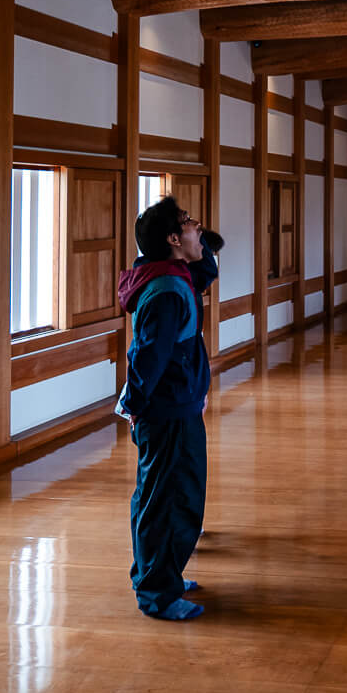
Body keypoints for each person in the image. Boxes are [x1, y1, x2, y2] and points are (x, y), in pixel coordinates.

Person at [116, 197, 223, 622]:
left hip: (180, 406)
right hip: (166, 411)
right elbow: (147, 356)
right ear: (173, 239)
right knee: (164, 499)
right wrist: (136, 407)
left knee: (178, 494)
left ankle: (162, 574)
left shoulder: (175, 274)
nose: (197, 225)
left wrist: (205, 242)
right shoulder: (165, 291)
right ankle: (156, 592)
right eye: (187, 223)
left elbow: (205, 269)